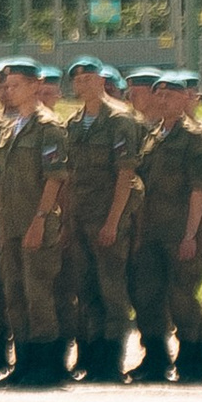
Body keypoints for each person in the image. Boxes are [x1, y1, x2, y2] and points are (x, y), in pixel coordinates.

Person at [61, 57, 143, 385]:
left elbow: (125, 174)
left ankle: (110, 361)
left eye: (89, 78)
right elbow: (68, 176)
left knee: (112, 290)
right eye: (77, 79)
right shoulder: (73, 123)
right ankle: (91, 357)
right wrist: (66, 221)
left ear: (101, 80)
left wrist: (113, 221)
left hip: (107, 218)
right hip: (79, 218)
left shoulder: (119, 120)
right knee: (86, 288)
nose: (83, 84)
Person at [0, 56, 70, 389]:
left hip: (36, 222)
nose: (9, 91)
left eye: (16, 85)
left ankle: (46, 364)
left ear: (36, 86)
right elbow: (2, 181)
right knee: (14, 293)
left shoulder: (48, 127)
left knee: (39, 294)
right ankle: (23, 362)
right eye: (7, 86)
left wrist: (40, 219)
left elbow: (54, 178)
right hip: (10, 223)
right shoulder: (10, 127)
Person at [140, 70, 202, 385]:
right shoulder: (152, 136)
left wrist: (190, 235)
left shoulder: (193, 138)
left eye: (170, 95)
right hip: (151, 232)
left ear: (185, 98)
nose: (163, 100)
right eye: (159, 94)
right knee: (148, 295)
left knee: (181, 295)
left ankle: (195, 358)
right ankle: (156, 358)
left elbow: (199, 190)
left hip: (179, 231)